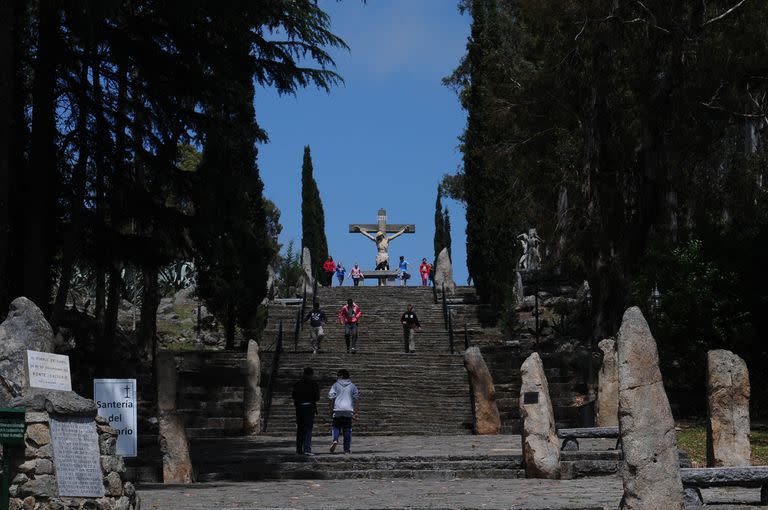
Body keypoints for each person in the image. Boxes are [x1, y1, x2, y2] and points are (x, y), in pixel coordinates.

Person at [328, 369, 359, 454]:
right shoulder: (352, 386)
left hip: (337, 409)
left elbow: (331, 398)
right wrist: (356, 412)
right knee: (347, 430)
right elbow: (356, 399)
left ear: (340, 376)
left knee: (336, 427)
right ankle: (346, 449)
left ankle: (335, 440)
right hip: (348, 410)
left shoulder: (335, 385)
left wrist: (331, 410)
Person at [292, 367, 319, 455]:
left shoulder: (298, 383)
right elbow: (317, 397)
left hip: (299, 407)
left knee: (300, 429)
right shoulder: (313, 383)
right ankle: (307, 449)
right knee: (308, 429)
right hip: (309, 406)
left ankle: (299, 449)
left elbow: (294, 395)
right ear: (311, 374)